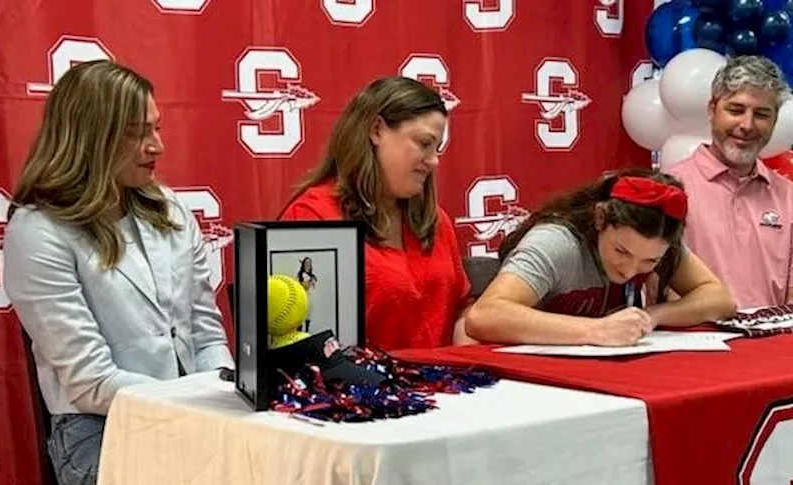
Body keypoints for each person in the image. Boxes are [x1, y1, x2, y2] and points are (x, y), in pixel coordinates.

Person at [3, 61, 232, 485]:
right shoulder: (38, 231)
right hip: (96, 438)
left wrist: (232, 396)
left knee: (282, 468)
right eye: (135, 132)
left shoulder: (170, 210)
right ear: (90, 136)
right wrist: (200, 408)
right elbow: (91, 383)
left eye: (156, 128)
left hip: (192, 418)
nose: (156, 146)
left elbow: (207, 336)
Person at [279, 76, 471, 350]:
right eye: (424, 144)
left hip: (446, 388)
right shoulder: (312, 217)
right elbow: (300, 341)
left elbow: (462, 308)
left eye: (437, 148)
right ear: (377, 130)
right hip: (363, 391)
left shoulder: (436, 219)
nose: (434, 161)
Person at [463, 169, 736, 346]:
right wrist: (595, 331)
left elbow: (719, 299)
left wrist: (652, 315)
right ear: (600, 218)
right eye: (621, 251)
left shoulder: (658, 242)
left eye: (649, 262)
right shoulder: (558, 242)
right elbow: (484, 317)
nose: (631, 270)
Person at [663, 55, 793, 310]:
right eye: (735, 110)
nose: (747, 125)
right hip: (693, 342)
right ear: (712, 109)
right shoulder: (668, 189)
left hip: (772, 345)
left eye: (761, 114)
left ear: (775, 120)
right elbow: (661, 291)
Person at [297, 257, 317, 331]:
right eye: (306, 263)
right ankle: (300, 339)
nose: (308, 264)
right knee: (301, 321)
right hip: (303, 300)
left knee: (308, 318)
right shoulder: (301, 275)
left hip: (310, 300)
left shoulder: (310, 275)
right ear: (303, 264)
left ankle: (307, 335)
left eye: (309, 263)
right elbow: (305, 286)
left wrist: (312, 279)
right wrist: (311, 280)